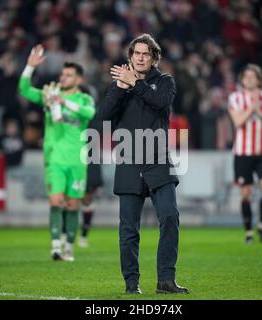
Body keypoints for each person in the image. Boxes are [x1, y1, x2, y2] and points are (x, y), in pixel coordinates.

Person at [100, 34, 189, 294]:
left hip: (157, 160)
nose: (140, 57)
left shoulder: (164, 81)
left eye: (145, 54)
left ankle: (166, 280)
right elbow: (103, 118)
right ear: (130, 57)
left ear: (154, 58)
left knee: (170, 217)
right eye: (136, 53)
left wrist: (135, 83)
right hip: (128, 161)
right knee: (128, 229)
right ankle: (131, 284)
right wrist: (121, 87)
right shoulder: (120, 84)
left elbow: (160, 102)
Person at [18, 44, 96, 261]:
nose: (63, 78)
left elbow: (90, 112)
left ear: (78, 80)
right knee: (55, 201)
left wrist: (64, 102)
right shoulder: (49, 94)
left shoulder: (84, 99)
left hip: (77, 160)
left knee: (72, 204)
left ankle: (68, 246)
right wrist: (28, 68)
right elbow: (24, 90)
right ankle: (55, 247)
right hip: (54, 158)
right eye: (63, 74)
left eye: (69, 75)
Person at [228, 64, 262, 244]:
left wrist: (259, 110)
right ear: (242, 80)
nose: (249, 79)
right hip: (243, 152)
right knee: (246, 192)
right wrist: (253, 107)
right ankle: (249, 232)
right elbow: (238, 122)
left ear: (259, 80)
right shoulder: (235, 97)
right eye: (246, 76)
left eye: (253, 76)